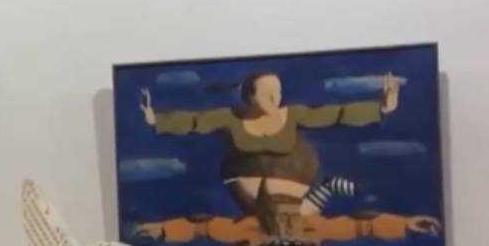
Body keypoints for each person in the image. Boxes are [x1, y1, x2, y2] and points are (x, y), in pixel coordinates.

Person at [140, 70, 398, 217]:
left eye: (279, 92)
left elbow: (335, 114)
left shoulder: (292, 115)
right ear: (250, 97)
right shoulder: (232, 118)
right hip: (254, 205)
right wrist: (156, 120)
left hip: (293, 202)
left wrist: (380, 108)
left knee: (300, 218)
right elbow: (195, 121)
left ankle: (330, 187)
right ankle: (329, 186)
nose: (276, 98)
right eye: (268, 94)